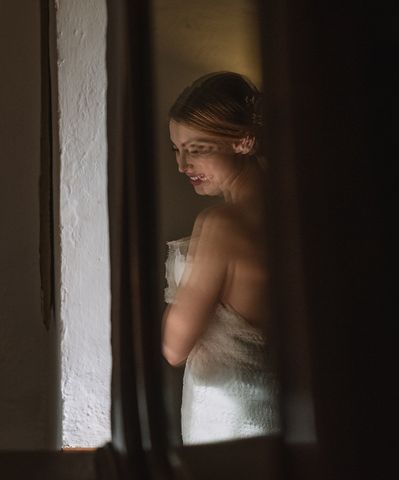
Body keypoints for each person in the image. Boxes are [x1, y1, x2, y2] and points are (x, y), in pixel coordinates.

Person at [161, 72, 279, 444]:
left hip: (231, 422)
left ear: (242, 141)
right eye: (176, 149)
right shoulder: (298, 211)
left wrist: (179, 284)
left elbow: (174, 347)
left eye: (196, 149)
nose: (182, 165)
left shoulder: (221, 226)